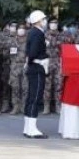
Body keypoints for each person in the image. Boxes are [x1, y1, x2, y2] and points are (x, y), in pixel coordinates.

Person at [23, 10, 49, 139]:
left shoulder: (33, 32)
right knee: (35, 98)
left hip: (34, 68)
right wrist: (34, 61)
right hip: (37, 68)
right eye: (43, 19)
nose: (45, 21)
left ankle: (28, 127)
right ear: (38, 21)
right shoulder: (38, 33)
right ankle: (32, 129)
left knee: (31, 97)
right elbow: (32, 53)